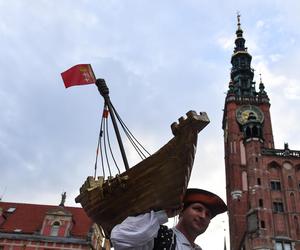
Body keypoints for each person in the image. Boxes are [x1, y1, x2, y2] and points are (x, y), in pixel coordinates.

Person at [110, 188, 227, 250]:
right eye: (197, 209)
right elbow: (120, 238)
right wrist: (162, 215)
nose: (203, 216)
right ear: (181, 212)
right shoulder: (158, 235)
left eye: (208, 215)